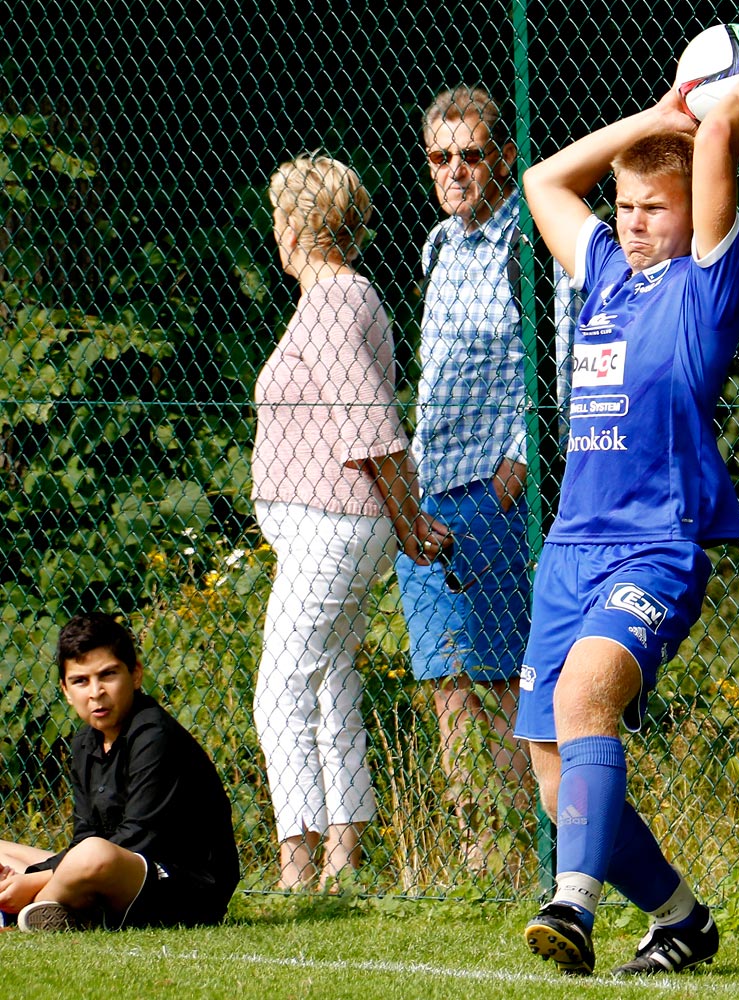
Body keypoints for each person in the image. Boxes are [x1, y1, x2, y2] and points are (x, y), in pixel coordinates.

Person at [516, 52, 739, 975]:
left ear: (692, 218)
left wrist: (726, 110)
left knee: (585, 696)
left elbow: (715, 143)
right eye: (627, 209)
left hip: (654, 548)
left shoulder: (702, 291)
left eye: (655, 210)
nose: (634, 225)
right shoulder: (603, 273)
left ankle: (572, 905)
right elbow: (543, 180)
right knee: (557, 781)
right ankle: (680, 919)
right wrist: (651, 116)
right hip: (567, 549)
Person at [252, 154, 449, 891]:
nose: (276, 230)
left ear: (299, 224)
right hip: (330, 525)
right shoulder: (339, 299)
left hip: (330, 523)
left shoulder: (335, 300)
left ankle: (297, 864)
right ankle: (342, 856)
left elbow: (371, 426)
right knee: (328, 679)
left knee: (280, 688)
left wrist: (408, 520)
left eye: (280, 216)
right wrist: (403, 521)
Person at [393, 85, 534, 871]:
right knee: (445, 680)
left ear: (502, 159)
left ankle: (521, 849)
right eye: (440, 157)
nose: (453, 171)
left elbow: (550, 354)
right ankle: (476, 849)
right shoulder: (438, 245)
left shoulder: (524, 241)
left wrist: (519, 459)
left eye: (470, 155)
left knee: (502, 674)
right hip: (432, 484)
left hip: (493, 483)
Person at [0, 613, 239, 932]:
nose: (95, 692)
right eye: (80, 681)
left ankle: (23, 912)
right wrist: (32, 876)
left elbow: (137, 840)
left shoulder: (154, 734)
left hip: (181, 886)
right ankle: (51, 907)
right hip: (108, 869)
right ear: (66, 690)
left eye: (108, 675)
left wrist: (31, 881)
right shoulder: (86, 741)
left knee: (93, 854)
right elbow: (85, 834)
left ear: (135, 675)